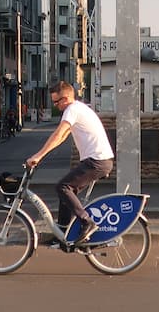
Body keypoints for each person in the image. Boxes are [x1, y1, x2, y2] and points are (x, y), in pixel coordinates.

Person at [26, 80, 115, 244]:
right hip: (98, 160)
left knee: (63, 187)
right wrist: (42, 155)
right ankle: (63, 234)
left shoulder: (72, 109)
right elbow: (62, 137)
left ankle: (86, 222)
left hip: (97, 161)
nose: (55, 105)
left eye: (56, 102)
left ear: (65, 98)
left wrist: (38, 156)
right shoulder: (78, 109)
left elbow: (58, 134)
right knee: (67, 193)